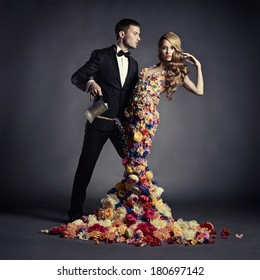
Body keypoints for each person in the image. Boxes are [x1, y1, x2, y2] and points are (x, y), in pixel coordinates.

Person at [44, 32, 216, 246]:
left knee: (136, 164)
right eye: (164, 47)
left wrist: (198, 66)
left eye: (172, 48)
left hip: (145, 122)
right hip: (126, 120)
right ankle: (133, 205)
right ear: (159, 49)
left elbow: (199, 91)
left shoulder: (174, 71)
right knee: (131, 166)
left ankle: (147, 210)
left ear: (177, 50)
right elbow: (121, 90)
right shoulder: (143, 67)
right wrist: (95, 86)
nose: (167, 52)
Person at [68, 19, 141, 222]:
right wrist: (90, 82)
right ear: (121, 34)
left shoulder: (135, 65)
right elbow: (77, 77)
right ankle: (74, 213)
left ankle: (138, 211)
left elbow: (134, 96)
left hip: (121, 126)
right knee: (86, 166)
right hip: (99, 120)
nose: (139, 38)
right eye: (135, 33)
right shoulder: (100, 55)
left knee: (136, 166)